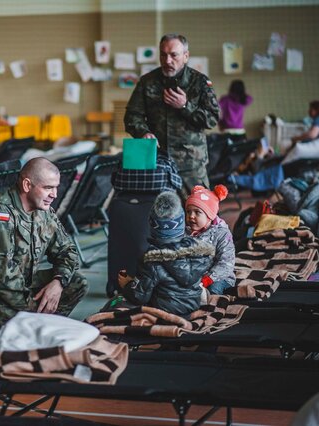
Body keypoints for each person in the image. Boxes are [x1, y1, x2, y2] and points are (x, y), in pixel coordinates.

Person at [0, 157, 88, 373]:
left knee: (76, 283)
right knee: (36, 341)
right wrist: (34, 317)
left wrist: (58, 282)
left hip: (21, 291)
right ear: (27, 185)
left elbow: (69, 251)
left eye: (56, 188)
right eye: (48, 188)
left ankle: (31, 334)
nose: (54, 195)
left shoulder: (43, 212)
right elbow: (2, 280)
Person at [124, 34, 220, 196]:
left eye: (174, 55)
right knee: (156, 214)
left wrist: (184, 106)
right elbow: (132, 116)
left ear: (185, 56)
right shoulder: (147, 82)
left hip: (190, 164)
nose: (167, 60)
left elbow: (212, 119)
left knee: (198, 213)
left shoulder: (200, 82)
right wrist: (143, 132)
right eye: (163, 55)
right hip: (156, 160)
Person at [117, 191, 214, 316]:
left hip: (165, 311)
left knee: (120, 301)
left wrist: (127, 284)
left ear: (152, 226)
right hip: (193, 306)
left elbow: (139, 296)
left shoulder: (151, 259)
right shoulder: (196, 248)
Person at [185, 185, 236, 295]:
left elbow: (226, 264)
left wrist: (207, 280)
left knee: (213, 290)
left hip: (217, 277)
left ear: (210, 215)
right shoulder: (186, 233)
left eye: (197, 212)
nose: (191, 216)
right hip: (194, 277)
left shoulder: (222, 234)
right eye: (188, 212)